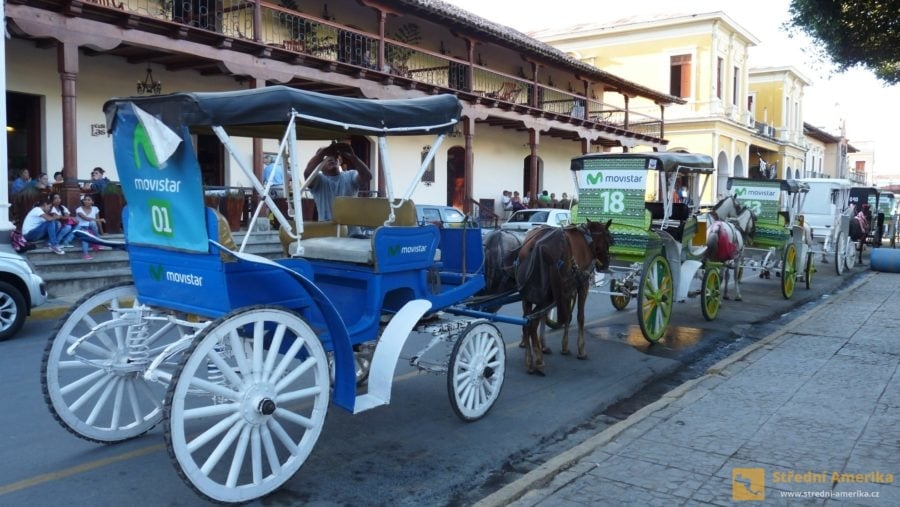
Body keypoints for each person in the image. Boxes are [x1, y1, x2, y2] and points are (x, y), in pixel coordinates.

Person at [303, 142, 372, 223]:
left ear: (339, 161)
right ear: (318, 166)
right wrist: (322, 153)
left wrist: (353, 157)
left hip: (353, 234)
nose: (331, 158)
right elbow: (307, 174)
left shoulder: (351, 175)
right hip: (328, 233)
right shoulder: (319, 180)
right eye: (326, 157)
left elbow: (367, 176)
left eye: (334, 156)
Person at [75, 195, 106, 260]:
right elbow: (86, 218)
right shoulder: (79, 209)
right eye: (85, 199)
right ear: (83, 201)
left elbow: (98, 223)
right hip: (81, 228)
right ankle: (85, 254)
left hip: (92, 229)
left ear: (92, 202)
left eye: (89, 200)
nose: (86, 201)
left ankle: (98, 242)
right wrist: (100, 220)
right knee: (85, 234)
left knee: (93, 224)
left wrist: (102, 233)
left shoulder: (95, 208)